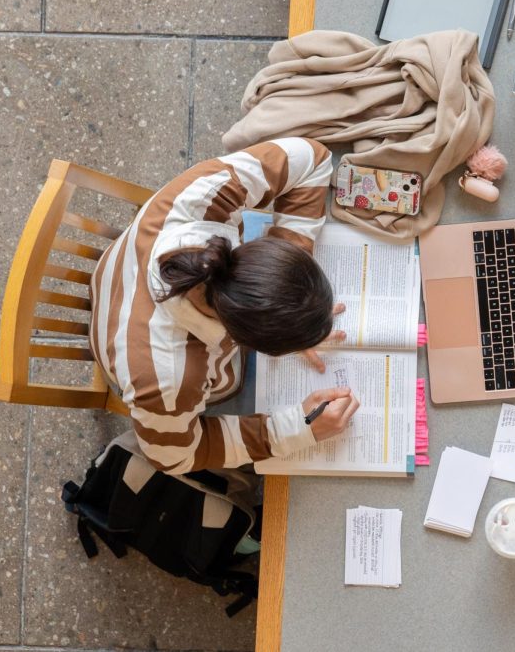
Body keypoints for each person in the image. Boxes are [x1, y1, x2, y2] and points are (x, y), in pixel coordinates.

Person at [89, 137, 360, 473]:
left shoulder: (203, 196)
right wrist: (297, 429)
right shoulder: (172, 381)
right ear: (243, 341)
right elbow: (172, 457)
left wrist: (286, 301)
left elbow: (312, 157)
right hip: (141, 368)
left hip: (122, 274)